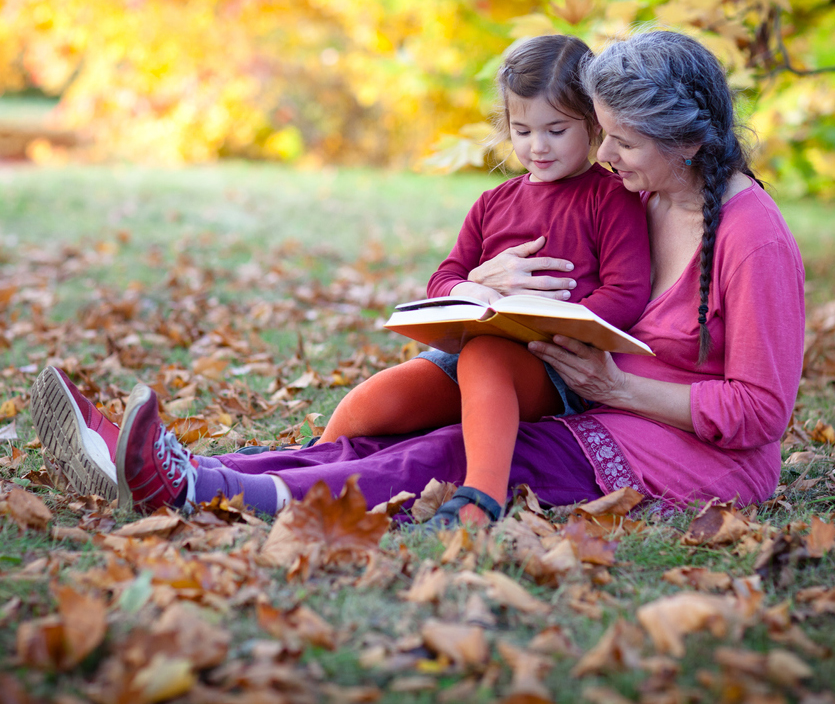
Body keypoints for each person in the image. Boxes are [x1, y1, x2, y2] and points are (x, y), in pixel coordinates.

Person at [30, 29, 805, 528]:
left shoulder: (750, 236)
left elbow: (760, 412)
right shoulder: (652, 194)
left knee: (448, 459)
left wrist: (620, 390)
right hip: (596, 405)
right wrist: (487, 283)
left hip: (683, 454)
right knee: (413, 425)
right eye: (605, 136)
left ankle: (200, 490)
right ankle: (181, 465)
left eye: (624, 143)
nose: (605, 159)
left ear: (686, 143)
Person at [313, 34, 651, 527]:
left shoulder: (610, 198)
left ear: (594, 125)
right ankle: (311, 463)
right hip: (469, 353)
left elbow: (626, 293)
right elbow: (444, 277)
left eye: (557, 130)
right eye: (522, 130)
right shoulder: (493, 202)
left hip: (553, 368)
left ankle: (481, 499)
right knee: (377, 399)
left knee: (486, 355)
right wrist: (470, 290)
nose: (537, 146)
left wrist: (561, 322)